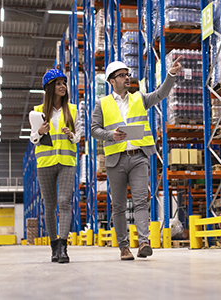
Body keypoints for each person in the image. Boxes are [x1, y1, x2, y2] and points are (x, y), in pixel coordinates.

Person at [91, 58, 182, 260]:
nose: (127, 78)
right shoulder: (102, 104)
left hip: (139, 157)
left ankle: (143, 242)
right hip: (115, 160)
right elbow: (94, 130)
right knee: (119, 206)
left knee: (141, 201)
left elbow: (160, 94)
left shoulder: (138, 98)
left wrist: (171, 75)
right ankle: (124, 247)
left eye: (127, 74)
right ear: (111, 81)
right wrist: (110, 135)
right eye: (122, 75)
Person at [29, 69, 81, 263]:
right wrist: (40, 132)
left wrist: (71, 135)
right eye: (58, 83)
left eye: (64, 83)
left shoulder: (73, 110)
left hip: (67, 162)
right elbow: (33, 139)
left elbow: (77, 138)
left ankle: (63, 247)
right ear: (49, 88)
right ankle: (53, 247)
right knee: (49, 206)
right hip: (45, 163)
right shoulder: (37, 112)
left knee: (64, 201)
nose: (62, 87)